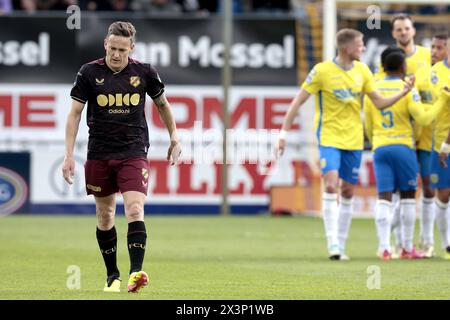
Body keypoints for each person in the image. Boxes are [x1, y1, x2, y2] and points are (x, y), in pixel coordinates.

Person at [62, 21, 181, 293]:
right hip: (99, 153)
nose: (116, 54)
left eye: (122, 50)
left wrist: (175, 135)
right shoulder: (89, 73)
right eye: (112, 48)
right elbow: (75, 114)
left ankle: (135, 273)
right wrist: (68, 155)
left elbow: (162, 104)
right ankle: (112, 275)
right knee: (105, 216)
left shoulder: (145, 72)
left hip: (134, 151)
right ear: (105, 44)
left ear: (131, 48)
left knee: (135, 209)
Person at [275, 28, 414, 260]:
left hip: (354, 139)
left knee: (348, 190)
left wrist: (403, 93)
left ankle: (341, 242)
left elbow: (378, 103)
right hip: (329, 137)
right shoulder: (321, 71)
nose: (363, 48)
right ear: (348, 48)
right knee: (331, 185)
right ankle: (333, 246)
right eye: (360, 44)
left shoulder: (363, 71)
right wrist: (283, 133)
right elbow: (297, 102)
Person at [364, 47, 450, 260]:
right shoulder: (407, 90)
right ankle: (406, 248)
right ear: (403, 67)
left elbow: (367, 123)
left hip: (380, 147)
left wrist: (377, 140)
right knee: (408, 197)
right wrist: (442, 99)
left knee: (384, 198)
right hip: (404, 148)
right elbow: (424, 119)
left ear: (383, 67)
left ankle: (384, 247)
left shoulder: (372, 90)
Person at [376, 14, 434, 258]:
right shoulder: (387, 62)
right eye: (398, 29)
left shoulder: (426, 56)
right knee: (405, 193)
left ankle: (426, 241)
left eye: (406, 28)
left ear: (413, 30)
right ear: (393, 33)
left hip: (421, 135)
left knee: (428, 188)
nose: (403, 32)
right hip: (406, 137)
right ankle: (402, 244)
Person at [430, 35, 450, 259]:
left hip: (446, 143)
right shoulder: (435, 71)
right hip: (440, 145)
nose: (435, 50)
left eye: (440, 47)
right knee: (443, 194)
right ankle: (446, 244)